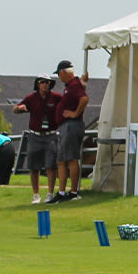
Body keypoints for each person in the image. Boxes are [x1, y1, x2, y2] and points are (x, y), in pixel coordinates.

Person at [13, 76, 62, 204]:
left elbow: (66, 105)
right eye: (42, 82)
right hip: (35, 135)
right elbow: (16, 108)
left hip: (51, 135)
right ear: (38, 84)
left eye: (47, 82)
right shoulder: (31, 98)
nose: (45, 84)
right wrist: (19, 109)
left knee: (51, 165)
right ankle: (36, 195)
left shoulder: (56, 97)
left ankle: (50, 194)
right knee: (34, 166)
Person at [51, 60, 88, 202]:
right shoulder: (71, 86)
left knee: (71, 159)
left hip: (71, 125)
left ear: (64, 72)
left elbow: (84, 99)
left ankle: (73, 192)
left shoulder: (73, 85)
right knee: (61, 160)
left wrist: (75, 113)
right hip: (65, 126)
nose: (59, 77)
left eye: (59, 74)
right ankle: (61, 192)